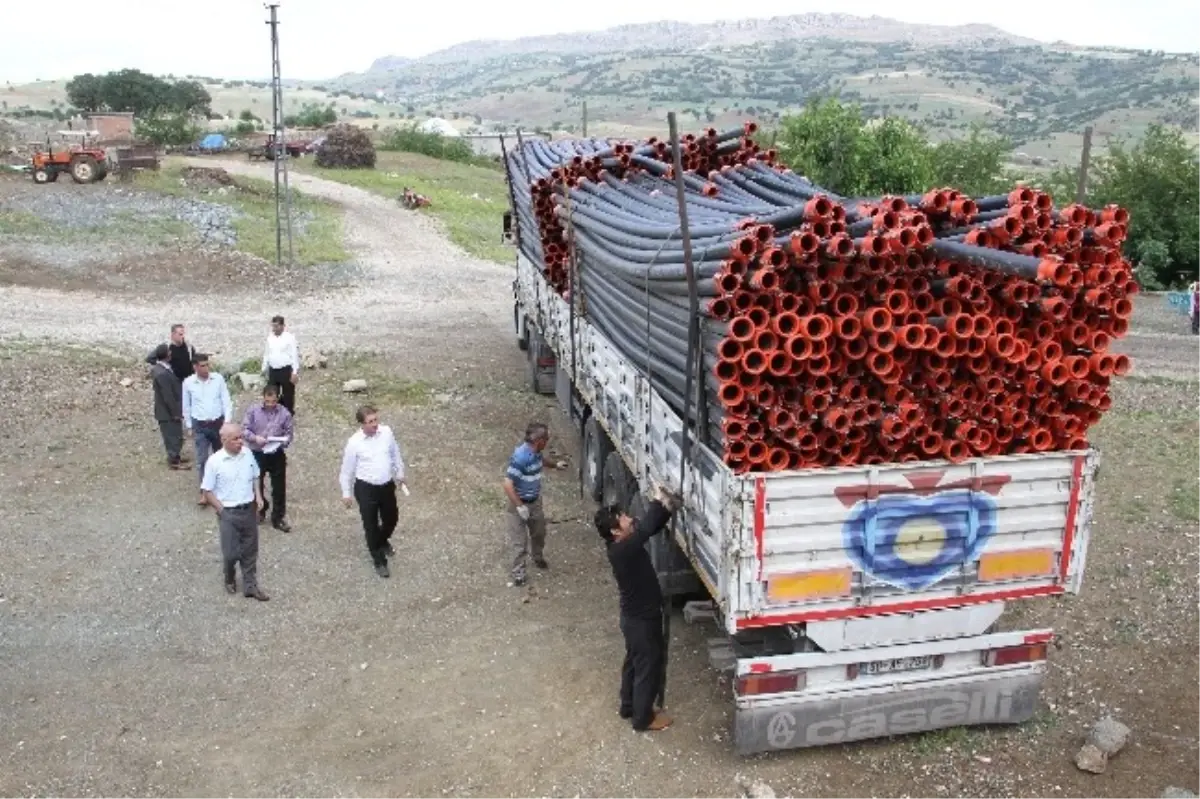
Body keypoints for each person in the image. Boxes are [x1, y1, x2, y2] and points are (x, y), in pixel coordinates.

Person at [594, 484, 682, 733]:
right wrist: (659, 501)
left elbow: (646, 528)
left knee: (634, 662)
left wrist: (665, 508)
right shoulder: (624, 550)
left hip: (633, 620)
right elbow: (645, 529)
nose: (630, 520)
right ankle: (643, 719)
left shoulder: (618, 547)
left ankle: (628, 706)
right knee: (648, 666)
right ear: (615, 532)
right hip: (643, 621)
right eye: (624, 520)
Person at [201, 423, 269, 601]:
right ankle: (229, 576)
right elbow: (207, 491)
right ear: (224, 440)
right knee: (231, 552)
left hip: (248, 509)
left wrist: (258, 496)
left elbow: (255, 475)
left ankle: (250, 585)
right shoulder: (214, 462)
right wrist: (221, 510)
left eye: (241, 437)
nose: (240, 442)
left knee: (250, 550)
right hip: (228, 512)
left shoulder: (247, 454)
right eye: (236, 439)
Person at [339, 405, 407, 578]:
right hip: (366, 488)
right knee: (370, 525)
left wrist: (400, 473)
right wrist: (346, 493)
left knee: (392, 518)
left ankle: (382, 539)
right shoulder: (354, 443)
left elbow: (395, 453)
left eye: (376, 419)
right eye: (370, 422)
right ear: (362, 424)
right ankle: (379, 560)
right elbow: (346, 470)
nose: (375, 424)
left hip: (386, 485)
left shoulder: (387, 433)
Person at [183, 353, 233, 506]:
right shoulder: (188, 383)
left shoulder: (217, 379)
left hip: (218, 424)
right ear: (195, 367)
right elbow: (187, 406)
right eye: (202, 366)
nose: (206, 368)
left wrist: (227, 422)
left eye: (207, 365)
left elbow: (226, 399)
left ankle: (222, 488)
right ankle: (205, 492)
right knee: (202, 459)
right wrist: (189, 425)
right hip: (200, 425)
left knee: (222, 457)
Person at [242, 384, 294, 532]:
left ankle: (278, 517)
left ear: (278, 399)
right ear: (263, 398)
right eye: (268, 401)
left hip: (276, 453)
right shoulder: (253, 410)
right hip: (257, 452)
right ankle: (261, 508)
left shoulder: (285, 414)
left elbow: (289, 434)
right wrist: (255, 438)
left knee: (279, 487)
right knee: (256, 483)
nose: (270, 404)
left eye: (273, 401)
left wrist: (282, 441)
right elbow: (244, 429)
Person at [503, 422, 549, 587]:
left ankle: (537, 556)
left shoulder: (536, 452)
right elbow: (508, 484)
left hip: (535, 502)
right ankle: (519, 573)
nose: (548, 441)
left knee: (539, 533)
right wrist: (519, 506)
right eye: (546, 438)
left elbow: (541, 460)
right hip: (519, 505)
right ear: (538, 441)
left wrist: (555, 465)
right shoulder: (521, 457)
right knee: (519, 542)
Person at [150, 343, 190, 470]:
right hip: (167, 412)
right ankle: (174, 461)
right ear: (167, 355)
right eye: (169, 351)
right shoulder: (162, 373)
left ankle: (176, 457)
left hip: (166, 411)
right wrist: (176, 413)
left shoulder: (159, 368)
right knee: (172, 436)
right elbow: (168, 396)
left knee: (175, 434)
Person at [261, 315, 300, 415]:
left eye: (277, 326)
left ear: (283, 326)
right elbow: (267, 353)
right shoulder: (270, 338)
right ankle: (274, 414)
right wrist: (264, 367)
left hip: (285, 369)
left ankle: (288, 414)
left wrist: (294, 372)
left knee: (288, 394)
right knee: (273, 393)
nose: (275, 329)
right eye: (273, 326)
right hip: (273, 370)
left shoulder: (290, 338)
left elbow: (294, 355)